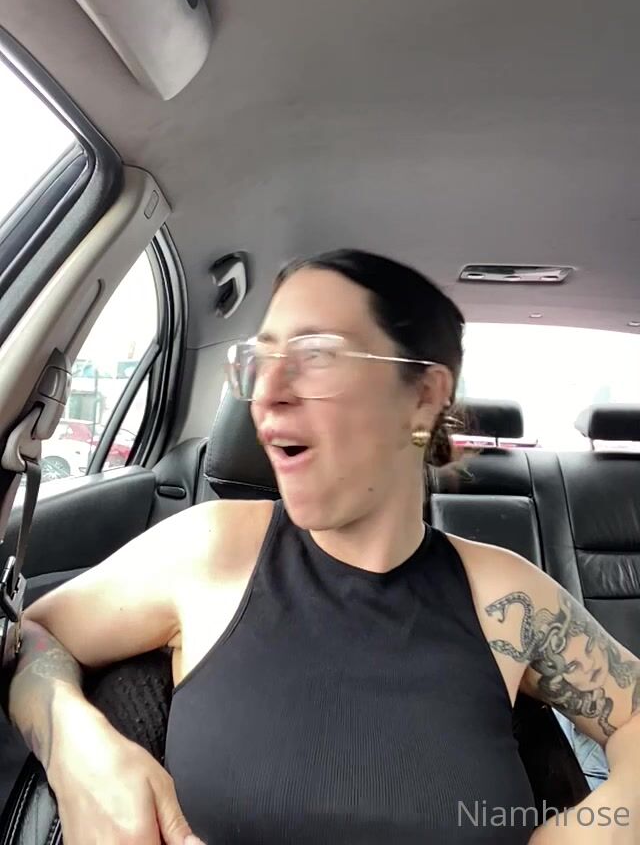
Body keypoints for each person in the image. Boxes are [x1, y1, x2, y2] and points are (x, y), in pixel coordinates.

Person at [6, 249, 640, 844]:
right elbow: (30, 632)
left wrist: (595, 829)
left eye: (317, 355)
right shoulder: (209, 547)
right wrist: (75, 748)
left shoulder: (505, 596)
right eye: (261, 359)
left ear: (423, 397)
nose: (267, 392)